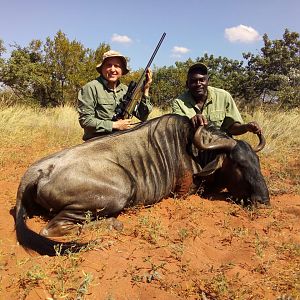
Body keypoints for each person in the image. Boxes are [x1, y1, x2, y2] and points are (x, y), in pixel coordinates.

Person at [78, 50, 153, 141]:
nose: (113, 69)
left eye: (117, 66)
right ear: (102, 69)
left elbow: (142, 116)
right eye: (109, 65)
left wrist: (146, 89)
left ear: (122, 70)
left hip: (121, 140)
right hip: (97, 143)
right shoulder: (90, 88)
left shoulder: (126, 90)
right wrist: (115, 125)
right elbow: (86, 120)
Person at [172, 63, 262, 136]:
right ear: (187, 84)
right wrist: (191, 122)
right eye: (193, 81)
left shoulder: (224, 96)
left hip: (221, 146)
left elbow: (232, 128)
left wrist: (246, 127)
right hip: (193, 147)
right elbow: (179, 131)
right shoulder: (179, 102)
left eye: (202, 80)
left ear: (208, 81)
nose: (198, 84)